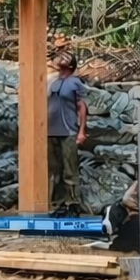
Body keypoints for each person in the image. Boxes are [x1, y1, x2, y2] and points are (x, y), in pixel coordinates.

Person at [47, 51, 88, 213]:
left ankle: (73, 202)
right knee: (54, 168)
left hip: (69, 130)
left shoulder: (75, 82)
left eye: (65, 58)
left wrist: (82, 131)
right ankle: (56, 202)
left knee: (70, 168)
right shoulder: (52, 82)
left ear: (71, 65)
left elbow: (82, 106)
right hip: (51, 131)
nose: (60, 58)